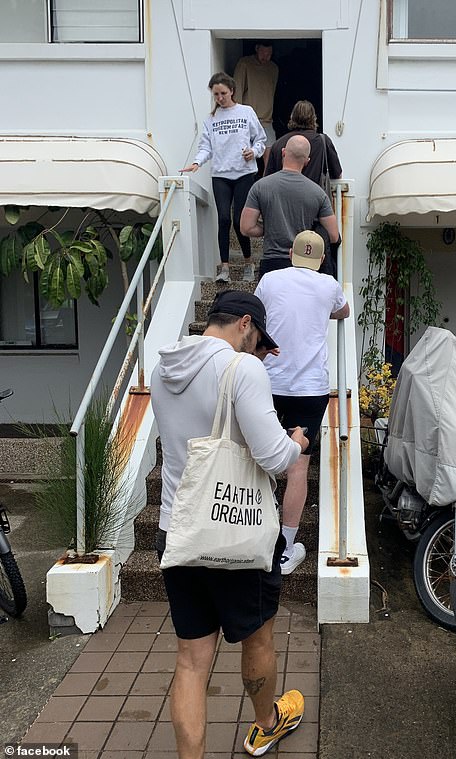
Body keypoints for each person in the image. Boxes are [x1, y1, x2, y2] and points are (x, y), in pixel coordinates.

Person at [151, 290, 309, 758]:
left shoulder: (165, 368)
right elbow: (272, 456)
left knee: (191, 660)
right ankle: (265, 725)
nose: (259, 351)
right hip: (235, 529)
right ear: (245, 324)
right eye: (259, 340)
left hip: (178, 528)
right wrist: (295, 442)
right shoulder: (242, 369)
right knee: (257, 635)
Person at [255, 231, 350, 573]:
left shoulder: (269, 280)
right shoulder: (328, 285)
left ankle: (255, 535)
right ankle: (285, 547)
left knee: (260, 459)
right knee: (298, 468)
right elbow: (345, 311)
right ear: (321, 259)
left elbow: (256, 314)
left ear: (290, 253)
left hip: (268, 383)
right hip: (310, 389)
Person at [181, 72, 265, 284]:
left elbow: (261, 140)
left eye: (223, 93)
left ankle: (248, 263)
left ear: (232, 91)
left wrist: (253, 152)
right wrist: (196, 163)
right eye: (216, 94)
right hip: (220, 174)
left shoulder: (246, 112)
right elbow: (205, 147)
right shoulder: (211, 119)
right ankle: (225, 268)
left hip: (244, 173)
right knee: (224, 219)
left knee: (239, 220)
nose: (219, 98)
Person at [240, 135, 341, 278]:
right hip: (305, 263)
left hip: (272, 263)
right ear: (307, 161)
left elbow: (246, 227)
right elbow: (333, 235)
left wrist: (269, 228)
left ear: (283, 152)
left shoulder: (260, 187)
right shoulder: (319, 193)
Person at [264, 100, 342, 185]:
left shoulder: (278, 144)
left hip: (283, 195)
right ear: (314, 118)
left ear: (292, 117)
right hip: (314, 195)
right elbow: (337, 174)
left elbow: (268, 178)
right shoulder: (323, 141)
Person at [233, 41, 278, 168]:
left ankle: (266, 183)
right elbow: (237, 90)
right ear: (257, 49)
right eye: (263, 53)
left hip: (267, 119)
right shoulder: (245, 64)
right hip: (247, 118)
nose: (266, 57)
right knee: (246, 154)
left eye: (269, 54)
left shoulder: (273, 68)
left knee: (269, 155)